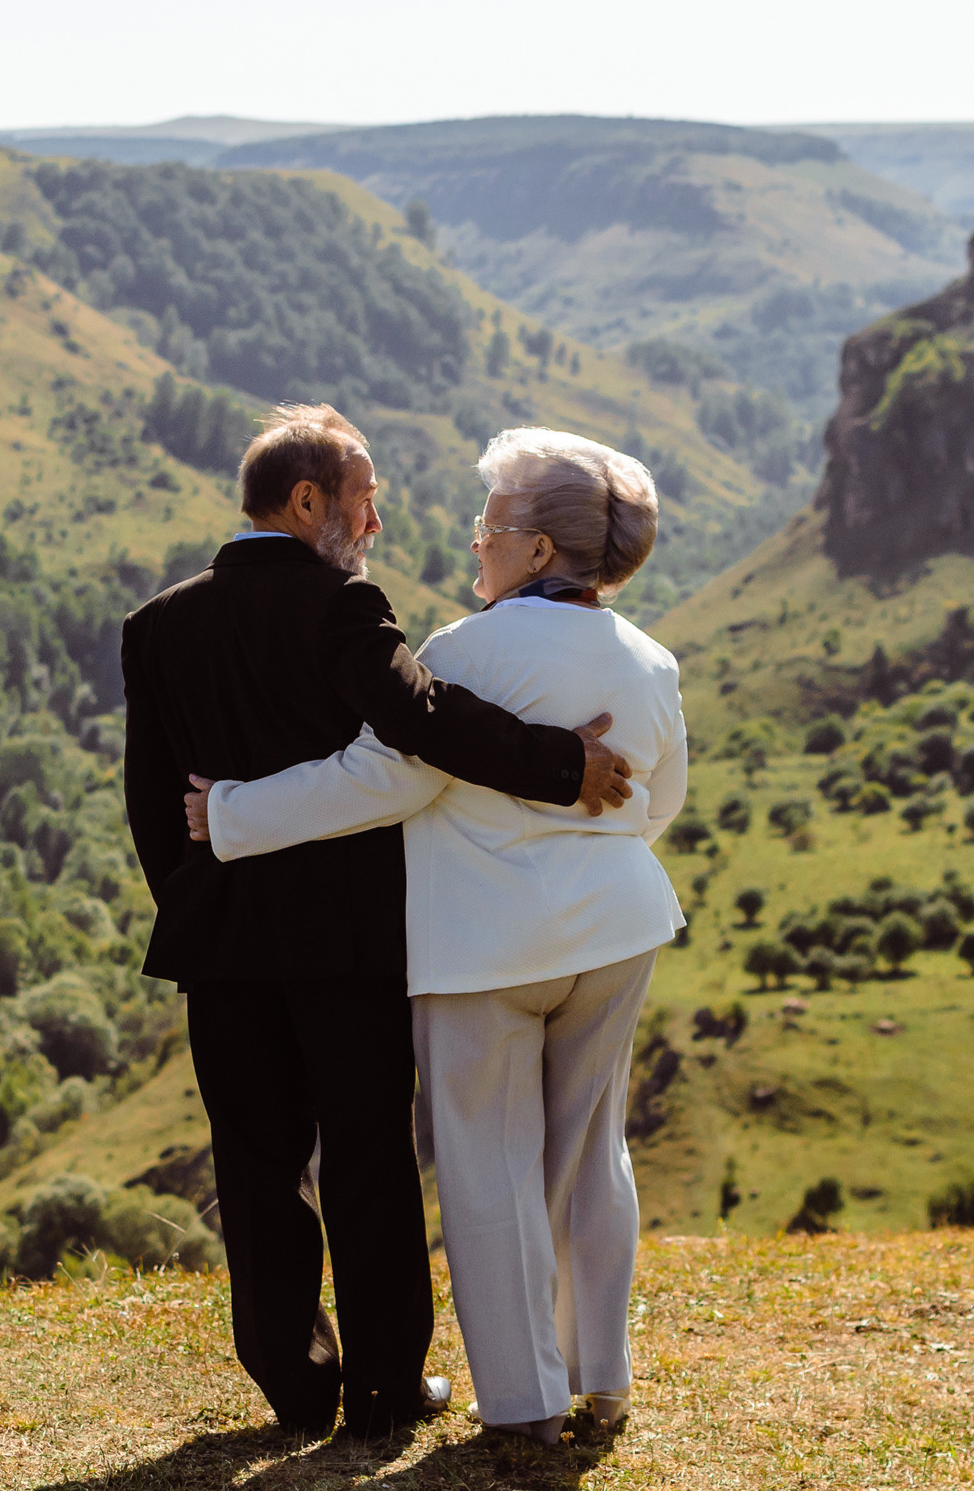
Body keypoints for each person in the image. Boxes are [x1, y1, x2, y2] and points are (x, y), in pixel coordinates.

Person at [120, 404, 634, 1440]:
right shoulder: (340, 606)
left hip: (219, 944)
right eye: (364, 500)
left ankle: (293, 1384)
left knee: (257, 1165)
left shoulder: (158, 625)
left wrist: (192, 898)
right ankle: (386, 1390)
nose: (374, 524)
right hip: (348, 940)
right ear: (306, 500)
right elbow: (422, 722)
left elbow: (147, 801)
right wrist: (559, 763)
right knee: (366, 1157)